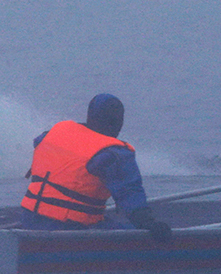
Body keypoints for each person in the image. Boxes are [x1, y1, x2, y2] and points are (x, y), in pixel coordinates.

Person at [20, 94, 172, 242]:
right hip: (69, 227)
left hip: (29, 217)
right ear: (118, 121)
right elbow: (129, 192)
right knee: (133, 232)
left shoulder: (52, 134)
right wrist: (147, 223)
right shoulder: (112, 153)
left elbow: (40, 143)